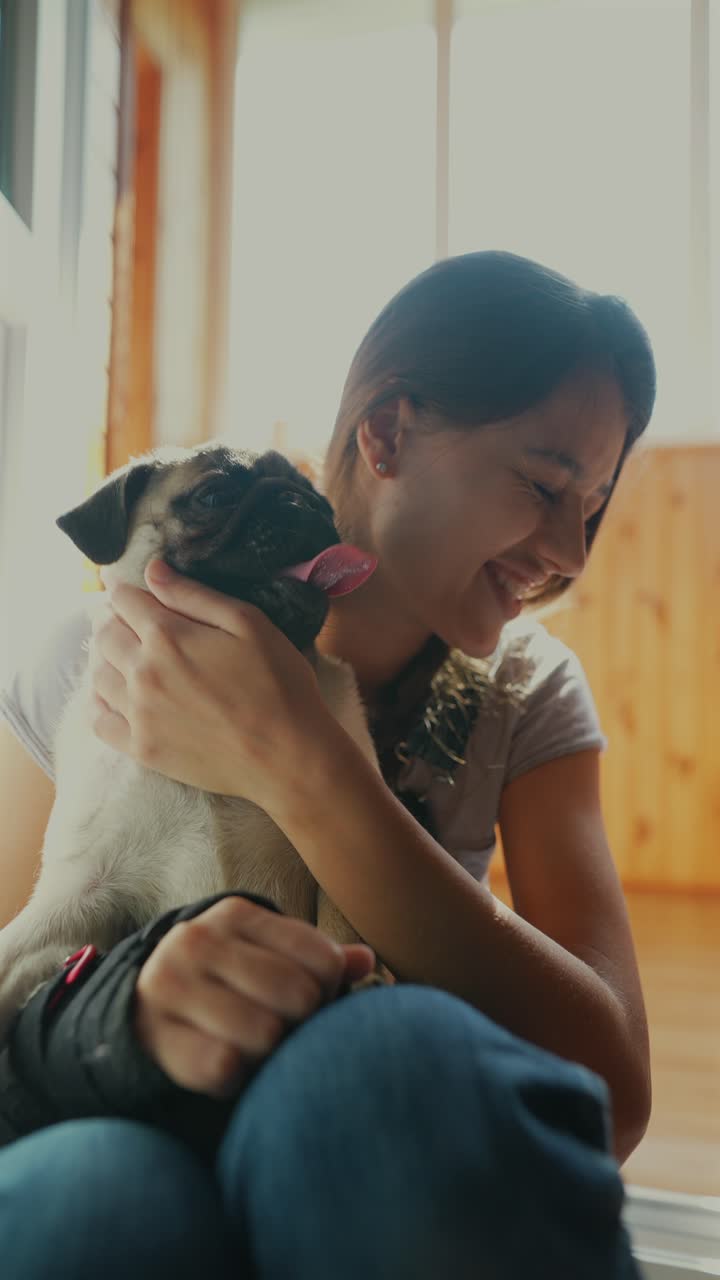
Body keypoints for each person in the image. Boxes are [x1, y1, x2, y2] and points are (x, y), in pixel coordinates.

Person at [0, 251, 654, 1279]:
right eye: (544, 483)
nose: (573, 552)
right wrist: (123, 1009)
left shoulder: (527, 697)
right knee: (100, 1196)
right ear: (385, 431)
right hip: (111, 1101)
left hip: (351, 1122)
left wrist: (302, 760)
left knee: (373, 1086)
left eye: (595, 505)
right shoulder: (100, 663)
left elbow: (611, 1090)